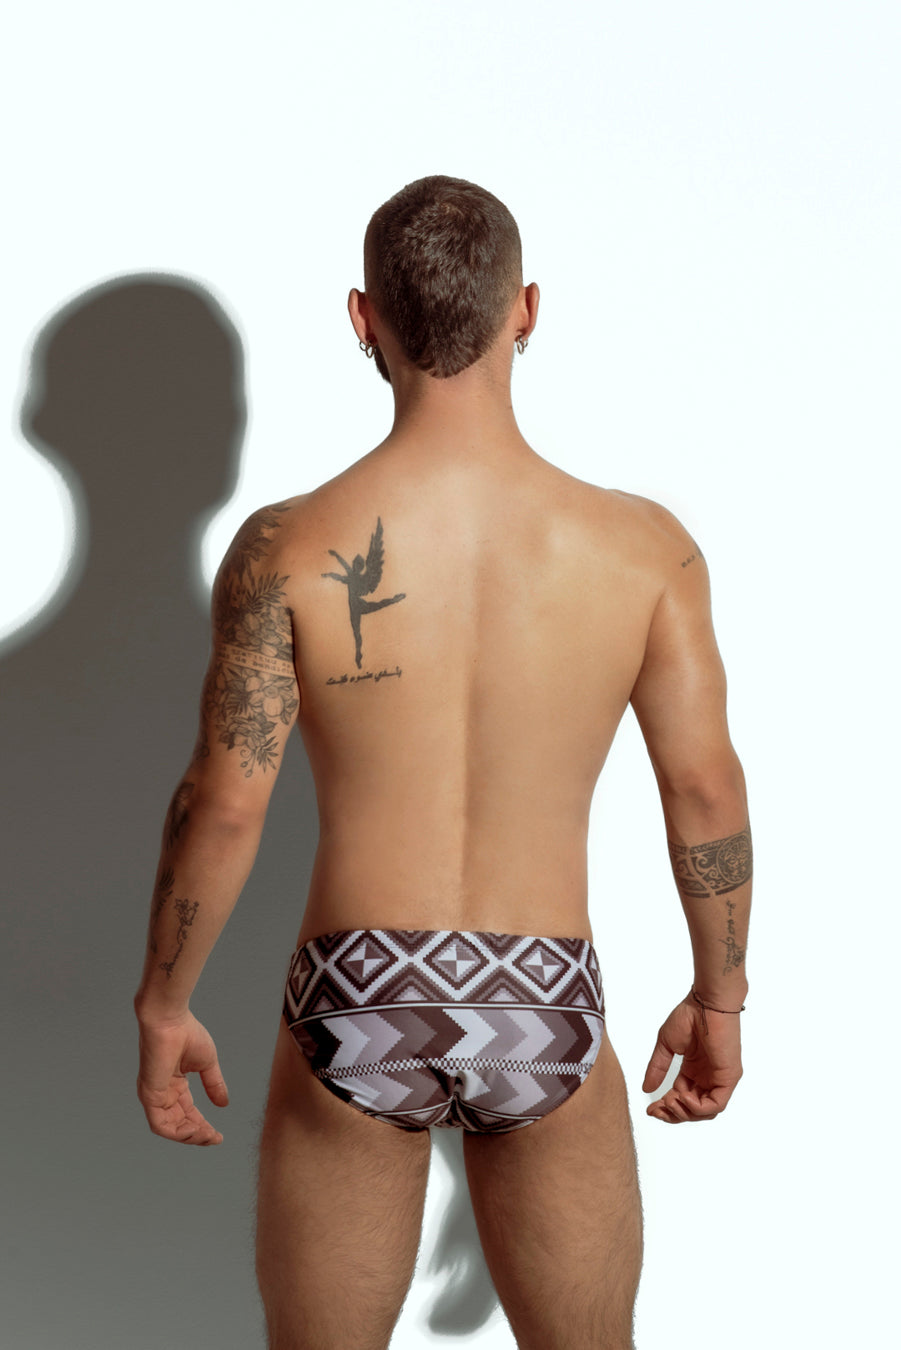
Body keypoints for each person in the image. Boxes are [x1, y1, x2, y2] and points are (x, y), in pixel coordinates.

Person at [134, 175, 751, 1350]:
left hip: (359, 986)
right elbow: (704, 789)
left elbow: (222, 803)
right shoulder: (645, 551)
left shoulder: (285, 548)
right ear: (527, 310)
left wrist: (164, 1002)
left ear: (362, 320)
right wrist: (719, 995)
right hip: (543, 990)